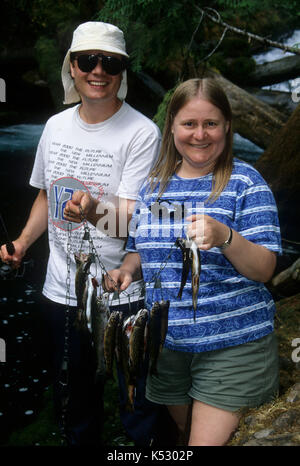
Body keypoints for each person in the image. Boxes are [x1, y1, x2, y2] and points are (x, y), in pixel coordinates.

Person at [0, 21, 176, 446]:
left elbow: (137, 221)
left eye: (110, 62)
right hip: (61, 293)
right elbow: (46, 194)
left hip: (124, 296)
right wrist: (23, 242)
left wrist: (92, 211)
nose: (98, 71)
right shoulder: (55, 126)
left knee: (139, 406)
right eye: (87, 61)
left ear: (122, 71)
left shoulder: (142, 133)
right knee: (76, 402)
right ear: (72, 68)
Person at [98, 77, 282, 446]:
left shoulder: (246, 183)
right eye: (189, 124)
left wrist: (226, 237)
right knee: (183, 436)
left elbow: (264, 269)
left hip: (232, 347)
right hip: (167, 348)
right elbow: (144, 245)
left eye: (210, 123)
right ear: (172, 127)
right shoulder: (156, 186)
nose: (200, 135)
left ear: (227, 126)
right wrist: (127, 269)